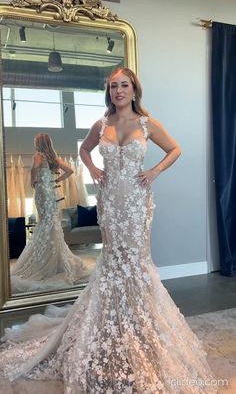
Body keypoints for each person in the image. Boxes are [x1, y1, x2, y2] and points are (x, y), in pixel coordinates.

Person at [0, 69, 218, 393]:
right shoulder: (101, 125)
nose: (118, 90)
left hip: (135, 204)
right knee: (112, 264)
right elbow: (84, 151)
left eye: (124, 85)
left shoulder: (147, 123)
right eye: (113, 86)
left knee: (136, 264)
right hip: (109, 205)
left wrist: (154, 171)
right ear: (110, 92)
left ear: (134, 90)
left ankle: (139, 330)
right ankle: (110, 326)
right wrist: (91, 168)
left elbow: (175, 149)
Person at [11, 133, 90, 293]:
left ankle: (45, 259)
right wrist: (57, 180)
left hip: (42, 192)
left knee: (45, 223)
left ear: (39, 143)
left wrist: (33, 180)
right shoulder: (54, 157)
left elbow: (34, 169)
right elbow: (69, 170)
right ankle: (55, 258)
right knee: (51, 223)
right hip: (51, 193)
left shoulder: (38, 156)